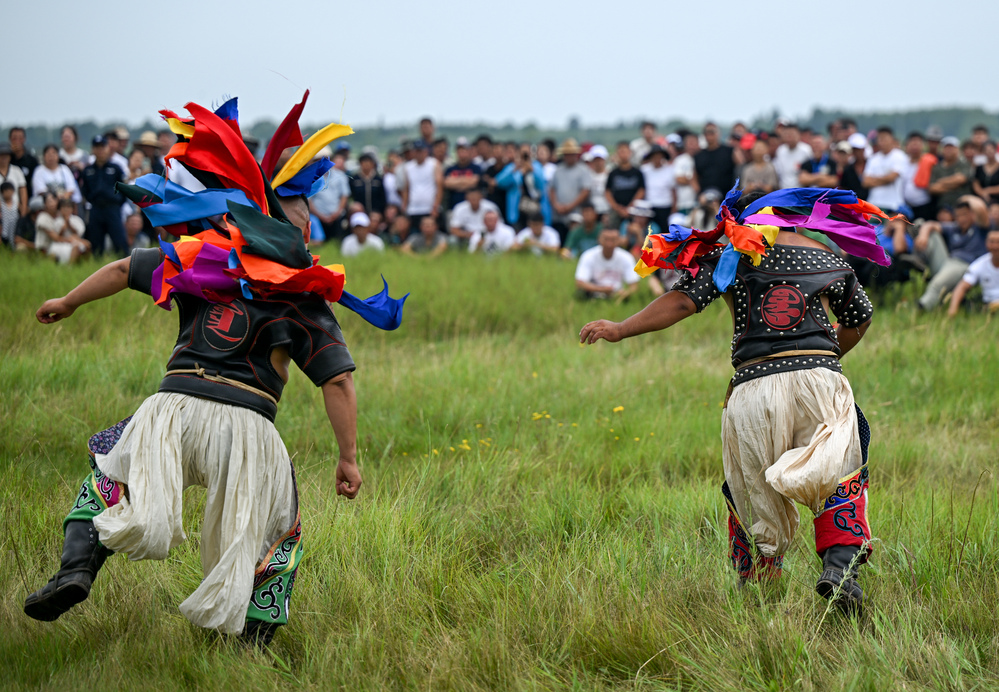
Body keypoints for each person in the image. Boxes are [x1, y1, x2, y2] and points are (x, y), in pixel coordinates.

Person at [22, 93, 408, 647]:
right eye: (306, 213)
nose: (312, 221)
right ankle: (250, 641)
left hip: (171, 412)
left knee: (110, 466)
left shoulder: (206, 255)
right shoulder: (305, 294)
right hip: (250, 430)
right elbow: (338, 380)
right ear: (290, 225)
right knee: (281, 526)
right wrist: (348, 457)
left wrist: (67, 301)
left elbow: (120, 266)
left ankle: (75, 570)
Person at [581, 186, 890, 615]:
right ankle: (840, 569)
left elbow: (683, 302)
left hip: (752, 388)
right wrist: (823, 357)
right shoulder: (826, 255)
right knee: (840, 473)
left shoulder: (730, 254)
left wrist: (619, 328)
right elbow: (860, 317)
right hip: (820, 380)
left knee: (751, 492)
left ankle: (760, 595)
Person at [914, 196, 990, 310]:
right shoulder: (954, 228)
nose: (961, 219)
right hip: (947, 262)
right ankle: (918, 258)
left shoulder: (980, 228)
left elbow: (981, 208)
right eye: (958, 216)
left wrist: (965, 198)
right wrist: (923, 234)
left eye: (965, 214)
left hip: (965, 265)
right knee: (923, 227)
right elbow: (931, 224)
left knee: (937, 284)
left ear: (972, 214)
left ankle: (923, 307)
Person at [81, 135, 128, 257]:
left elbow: (124, 189)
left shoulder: (116, 168)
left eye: (102, 147)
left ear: (108, 148)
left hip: (112, 208)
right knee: (96, 244)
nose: (100, 150)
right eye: (97, 147)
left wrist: (117, 203)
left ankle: (125, 268)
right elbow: (85, 191)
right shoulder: (88, 171)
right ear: (93, 149)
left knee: (120, 242)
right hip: (96, 209)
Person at [574, 226, 641, 300]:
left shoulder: (626, 257)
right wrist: (603, 290)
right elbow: (580, 283)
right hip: (591, 296)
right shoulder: (588, 255)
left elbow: (634, 286)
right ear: (599, 239)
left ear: (619, 240)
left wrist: (626, 293)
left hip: (617, 296)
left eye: (613, 240)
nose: (609, 244)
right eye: (606, 239)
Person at [548, 139, 592, 242]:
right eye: (567, 154)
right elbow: (552, 189)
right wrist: (556, 205)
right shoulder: (558, 170)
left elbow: (585, 191)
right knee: (560, 238)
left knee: (573, 237)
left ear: (576, 155)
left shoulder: (583, 170)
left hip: (575, 213)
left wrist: (570, 206)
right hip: (558, 213)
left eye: (571, 154)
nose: (569, 157)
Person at [947, 230, 999, 316]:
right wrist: (952, 310)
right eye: (992, 242)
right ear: (986, 244)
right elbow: (962, 286)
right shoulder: (980, 264)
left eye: (998, 242)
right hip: (988, 307)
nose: (995, 246)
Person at [862, 127, 908, 214]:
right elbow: (865, 182)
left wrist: (874, 179)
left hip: (893, 205)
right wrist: (885, 179)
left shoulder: (899, 156)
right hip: (873, 204)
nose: (881, 142)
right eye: (879, 139)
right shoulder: (873, 158)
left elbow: (891, 178)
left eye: (884, 138)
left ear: (892, 140)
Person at [309, 149, 351, 240]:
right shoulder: (311, 178)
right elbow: (309, 200)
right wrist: (320, 216)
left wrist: (337, 213)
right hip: (317, 217)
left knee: (337, 239)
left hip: (337, 216)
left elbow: (344, 196)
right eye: (319, 160)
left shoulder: (340, 175)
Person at [401, 140, 442, 230]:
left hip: (429, 207)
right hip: (413, 208)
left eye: (421, 151)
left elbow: (439, 187)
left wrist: (436, 206)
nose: (419, 154)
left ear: (426, 151)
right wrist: (404, 205)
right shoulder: (408, 167)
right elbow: (406, 188)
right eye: (417, 151)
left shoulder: (434, 164)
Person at [605, 141, 646, 229]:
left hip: (634, 209)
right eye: (620, 152)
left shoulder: (637, 172)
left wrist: (631, 206)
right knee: (611, 229)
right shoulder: (613, 173)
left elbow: (641, 190)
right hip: (617, 210)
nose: (623, 154)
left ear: (630, 153)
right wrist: (617, 208)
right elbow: (607, 192)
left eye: (625, 151)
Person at [39, 197, 91, 263]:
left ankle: (76, 265)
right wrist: (64, 227)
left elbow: (78, 233)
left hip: (75, 241)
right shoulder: (57, 221)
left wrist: (69, 224)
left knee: (84, 246)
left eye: (68, 207)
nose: (66, 210)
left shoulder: (76, 219)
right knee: (56, 250)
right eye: (64, 208)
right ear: (60, 209)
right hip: (61, 242)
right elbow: (57, 236)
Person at [929, 137, 973, 212]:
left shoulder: (964, 164)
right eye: (946, 148)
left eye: (951, 147)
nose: (949, 150)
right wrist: (954, 185)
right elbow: (932, 188)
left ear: (957, 149)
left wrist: (941, 182)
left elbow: (961, 179)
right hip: (943, 207)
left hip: (963, 205)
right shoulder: (937, 167)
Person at [640, 145, 675, 234]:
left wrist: (674, 208)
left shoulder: (669, 170)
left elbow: (673, 191)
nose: (657, 158)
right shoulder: (644, 170)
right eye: (654, 156)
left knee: (664, 232)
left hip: (665, 206)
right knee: (649, 232)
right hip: (649, 207)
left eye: (659, 156)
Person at [694, 122, 736, 195]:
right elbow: (695, 175)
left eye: (712, 132)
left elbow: (740, 169)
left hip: (727, 196)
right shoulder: (698, 155)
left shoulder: (730, 151)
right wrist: (698, 192)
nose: (709, 136)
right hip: (705, 196)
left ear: (718, 133)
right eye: (707, 133)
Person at [442, 138, 481, 211]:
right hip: (453, 206)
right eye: (459, 150)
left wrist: (456, 182)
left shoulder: (476, 168)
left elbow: (474, 182)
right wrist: (465, 181)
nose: (462, 152)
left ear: (469, 151)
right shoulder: (450, 169)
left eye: (464, 150)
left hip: (471, 208)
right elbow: (447, 183)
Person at [772, 123, 812, 189]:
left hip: (800, 190)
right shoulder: (780, 151)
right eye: (786, 134)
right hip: (784, 190)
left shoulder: (806, 150)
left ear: (798, 135)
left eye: (792, 134)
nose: (789, 137)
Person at [0, 141, 28, 216]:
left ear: (10, 157)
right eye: (1, 155)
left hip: (15, 210)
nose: (4, 157)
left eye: (6, 155)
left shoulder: (16, 170)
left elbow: (23, 191)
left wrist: (24, 209)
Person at [584, 145, 610, 216]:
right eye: (596, 159)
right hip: (592, 211)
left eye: (600, 159)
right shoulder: (587, 175)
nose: (598, 162)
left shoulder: (610, 175)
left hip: (607, 210)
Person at [972, 140, 999, 205]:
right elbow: (975, 183)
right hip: (981, 200)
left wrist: (988, 191)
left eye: (991, 149)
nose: (989, 152)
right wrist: (982, 193)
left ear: (995, 150)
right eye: (987, 150)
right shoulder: (979, 167)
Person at [1, 181, 19, 247]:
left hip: (14, 226)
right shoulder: (1, 204)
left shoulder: (16, 204)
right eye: (6, 191)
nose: (8, 193)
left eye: (10, 191)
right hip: (4, 227)